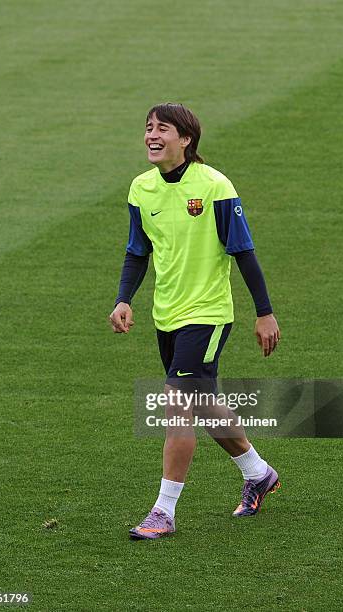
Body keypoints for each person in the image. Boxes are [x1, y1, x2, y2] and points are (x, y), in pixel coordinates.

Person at [109, 103, 281, 540]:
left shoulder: (214, 186)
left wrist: (264, 312)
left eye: (161, 128)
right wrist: (124, 299)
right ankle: (259, 473)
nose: (152, 135)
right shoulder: (141, 188)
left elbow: (244, 251)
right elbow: (137, 251)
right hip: (165, 315)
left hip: (207, 315)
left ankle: (163, 512)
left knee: (176, 402)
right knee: (203, 403)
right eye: (148, 127)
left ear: (185, 139)